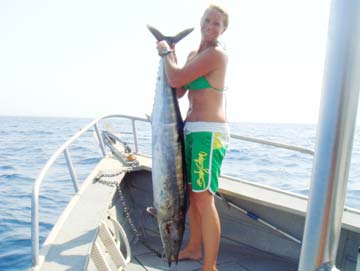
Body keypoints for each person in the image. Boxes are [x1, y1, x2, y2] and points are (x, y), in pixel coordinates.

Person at [156, 4, 229, 271]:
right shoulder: (193, 54)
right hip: (189, 131)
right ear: (201, 22)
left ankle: (210, 265)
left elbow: (175, 79)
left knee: (204, 198)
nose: (211, 26)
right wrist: (172, 55)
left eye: (217, 24)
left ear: (223, 29)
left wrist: (165, 52)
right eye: (207, 20)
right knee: (191, 194)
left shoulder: (217, 56)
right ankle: (194, 248)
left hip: (208, 135)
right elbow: (178, 92)